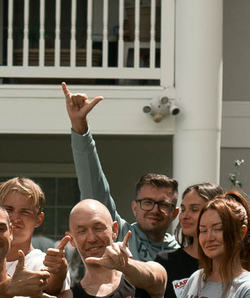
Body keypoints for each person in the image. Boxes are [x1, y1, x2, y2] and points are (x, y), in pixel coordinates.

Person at [59, 83, 177, 265]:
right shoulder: (119, 237)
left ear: (174, 213)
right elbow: (93, 184)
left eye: (163, 204)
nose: (154, 209)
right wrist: (80, 127)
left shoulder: (183, 254)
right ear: (134, 207)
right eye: (147, 202)